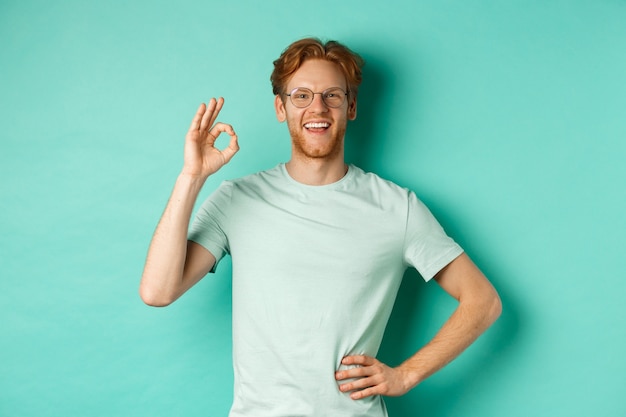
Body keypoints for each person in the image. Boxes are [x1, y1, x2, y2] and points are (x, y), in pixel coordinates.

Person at [140, 37, 502, 417]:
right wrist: (191, 177)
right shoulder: (237, 199)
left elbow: (483, 301)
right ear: (281, 107)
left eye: (332, 95)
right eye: (301, 95)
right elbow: (158, 291)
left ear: (352, 106)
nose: (318, 107)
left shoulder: (397, 208)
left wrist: (407, 375)